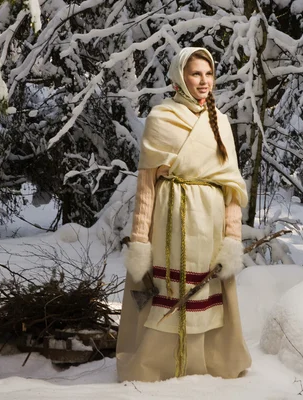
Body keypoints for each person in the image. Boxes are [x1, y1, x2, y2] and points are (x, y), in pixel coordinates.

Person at [116, 47, 252, 382]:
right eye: (196, 74)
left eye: (208, 74)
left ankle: (210, 365)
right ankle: (156, 366)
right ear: (180, 77)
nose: (204, 81)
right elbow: (147, 186)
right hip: (169, 221)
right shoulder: (161, 118)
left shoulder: (220, 122)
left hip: (211, 223)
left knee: (207, 293)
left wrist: (232, 239)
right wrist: (140, 240)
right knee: (165, 291)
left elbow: (232, 188)